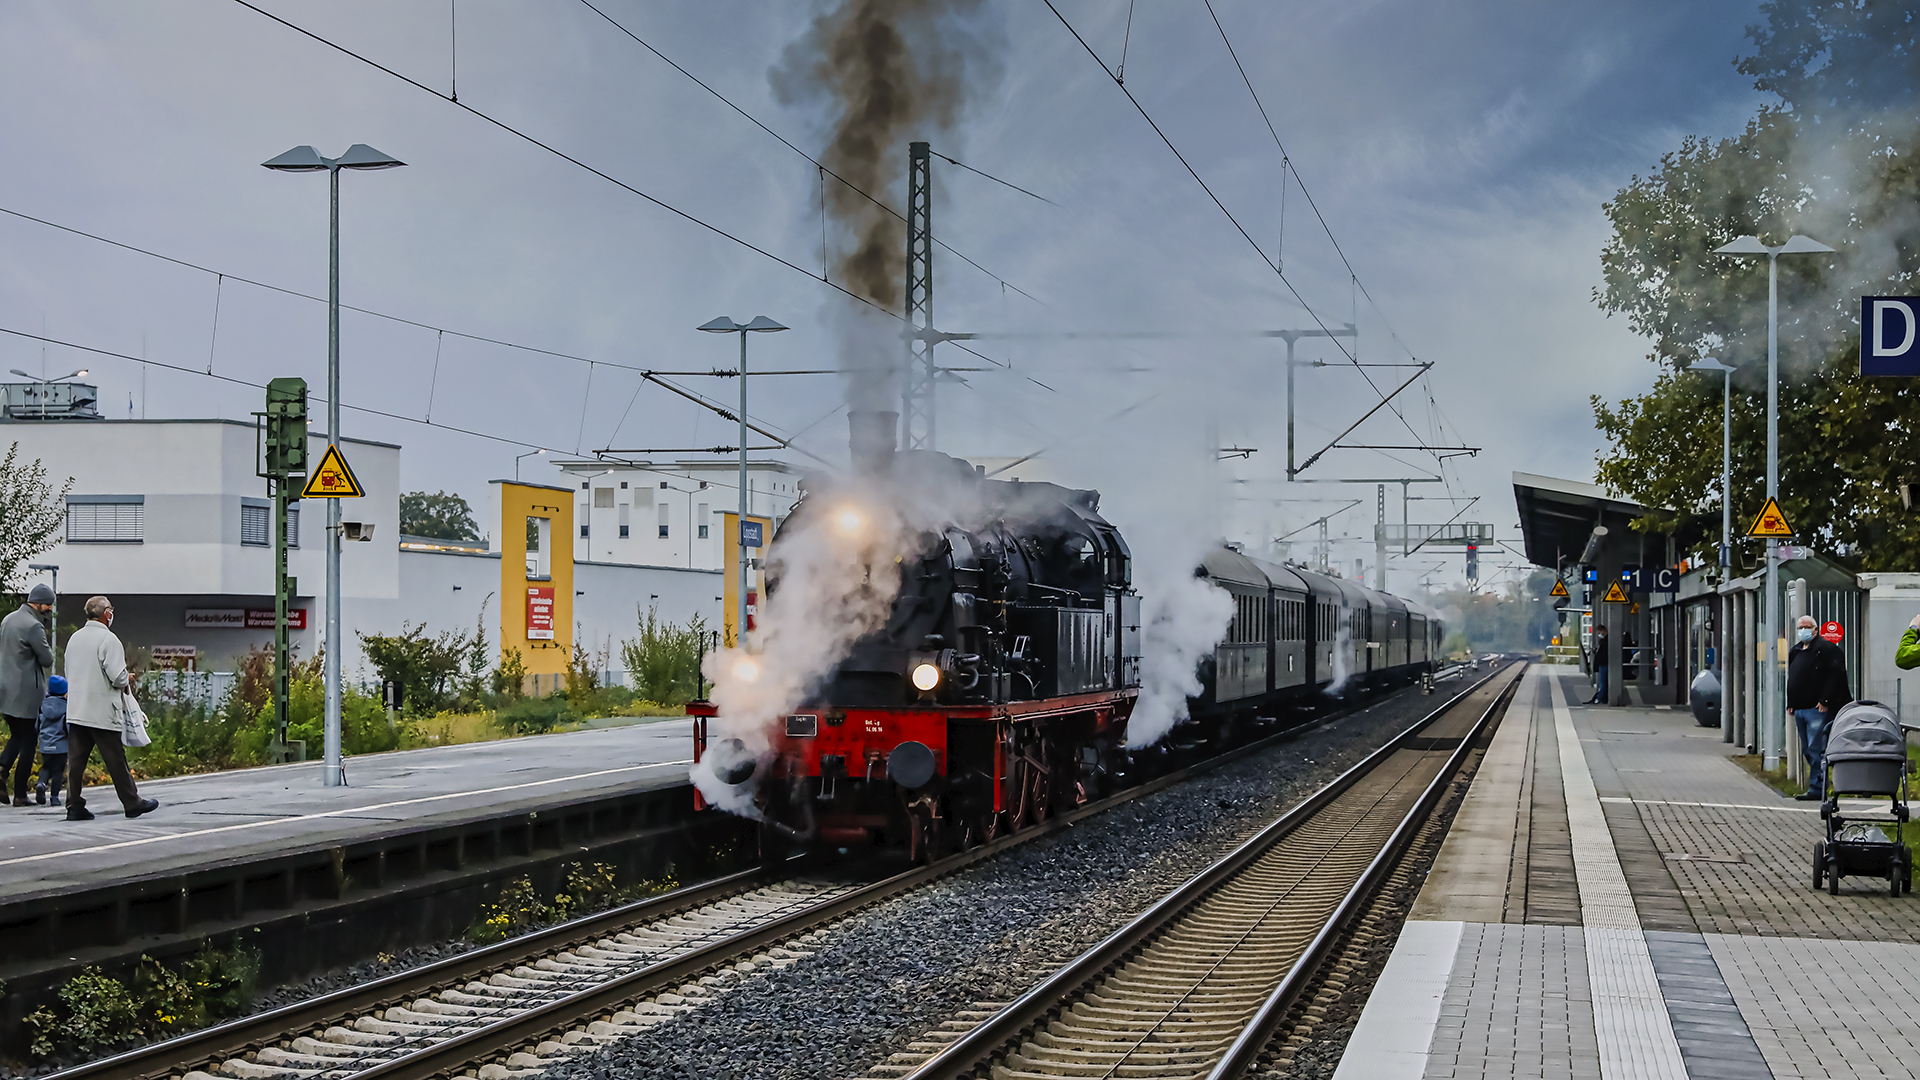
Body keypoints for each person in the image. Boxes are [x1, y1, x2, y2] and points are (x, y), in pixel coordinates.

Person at [64, 596, 157, 821]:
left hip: (77, 708)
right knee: (116, 758)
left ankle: (73, 805)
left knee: (76, 761)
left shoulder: (75, 638)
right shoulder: (108, 639)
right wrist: (128, 677)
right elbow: (117, 676)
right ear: (106, 613)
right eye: (111, 610)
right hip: (102, 709)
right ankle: (132, 802)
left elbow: (69, 671)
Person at [0, 584, 56, 807]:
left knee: (17, 735)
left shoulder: (8, 619)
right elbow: (47, 659)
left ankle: (2, 770)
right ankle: (20, 794)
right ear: (39, 603)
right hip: (26, 691)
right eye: (48, 605)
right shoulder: (33, 626)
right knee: (29, 741)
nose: (50, 609)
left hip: (6, 689)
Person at [1786, 614, 1850, 801]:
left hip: (1817, 709)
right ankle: (1816, 784)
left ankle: (1818, 787)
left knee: (1816, 749)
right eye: (1800, 627)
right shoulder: (1796, 651)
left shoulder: (1827, 650)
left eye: (1807, 627)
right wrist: (1791, 703)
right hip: (1800, 708)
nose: (1803, 631)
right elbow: (1793, 678)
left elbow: (1835, 676)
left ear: (1815, 629)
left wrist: (1825, 701)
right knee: (1807, 749)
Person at [35, 675, 68, 806]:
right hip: (61, 746)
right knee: (58, 771)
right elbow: (68, 727)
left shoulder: (42, 706)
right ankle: (54, 797)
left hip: (45, 744)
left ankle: (41, 784)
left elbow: (37, 726)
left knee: (46, 767)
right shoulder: (66, 707)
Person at [1588, 624, 1610, 704]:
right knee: (1603, 682)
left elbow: (1604, 653)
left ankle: (1600, 698)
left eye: (1599, 632)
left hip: (1604, 664)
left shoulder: (1607, 641)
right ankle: (1602, 697)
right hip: (1603, 663)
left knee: (1603, 683)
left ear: (1603, 631)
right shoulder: (1605, 640)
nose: (1599, 634)